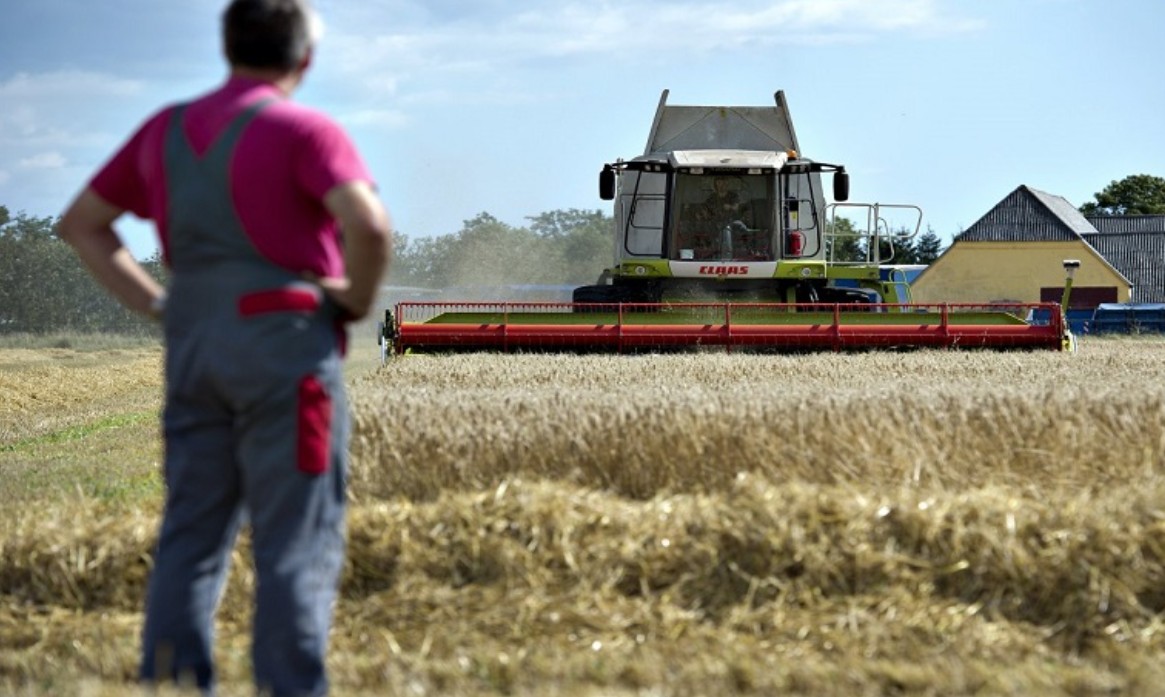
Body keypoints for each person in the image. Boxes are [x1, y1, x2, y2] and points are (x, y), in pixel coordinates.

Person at [56, 1, 392, 694]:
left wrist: (157, 304)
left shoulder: (166, 128)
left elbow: (83, 224)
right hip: (285, 352)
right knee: (293, 544)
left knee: (192, 535)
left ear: (227, 47)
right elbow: (370, 226)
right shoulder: (305, 129)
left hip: (194, 347)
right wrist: (355, 300)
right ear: (305, 58)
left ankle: (175, 682)